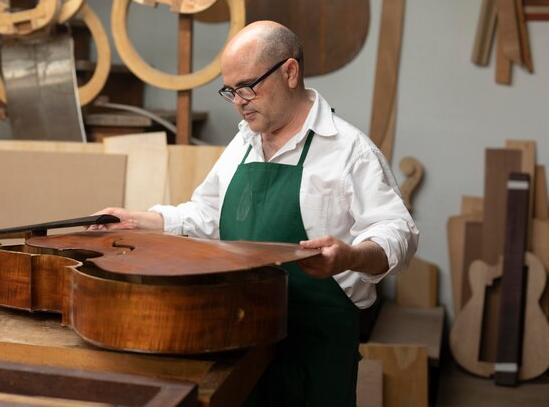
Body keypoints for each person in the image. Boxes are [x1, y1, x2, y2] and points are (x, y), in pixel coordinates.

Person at [91, 20, 418, 406]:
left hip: (314, 347)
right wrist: (138, 220)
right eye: (230, 90)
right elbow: (206, 215)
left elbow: (398, 232)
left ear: (290, 72)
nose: (239, 101)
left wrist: (351, 255)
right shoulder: (243, 144)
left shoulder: (348, 151)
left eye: (248, 86)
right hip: (240, 336)